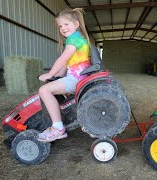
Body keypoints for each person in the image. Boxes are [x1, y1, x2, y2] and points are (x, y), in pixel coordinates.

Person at [37, 8, 91, 142]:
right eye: (60, 26)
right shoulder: (78, 38)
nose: (63, 28)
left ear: (76, 24)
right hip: (77, 77)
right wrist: (58, 75)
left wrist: (50, 74)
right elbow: (68, 64)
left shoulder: (74, 39)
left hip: (76, 80)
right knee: (51, 87)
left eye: (66, 24)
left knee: (44, 90)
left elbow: (62, 59)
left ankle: (57, 127)